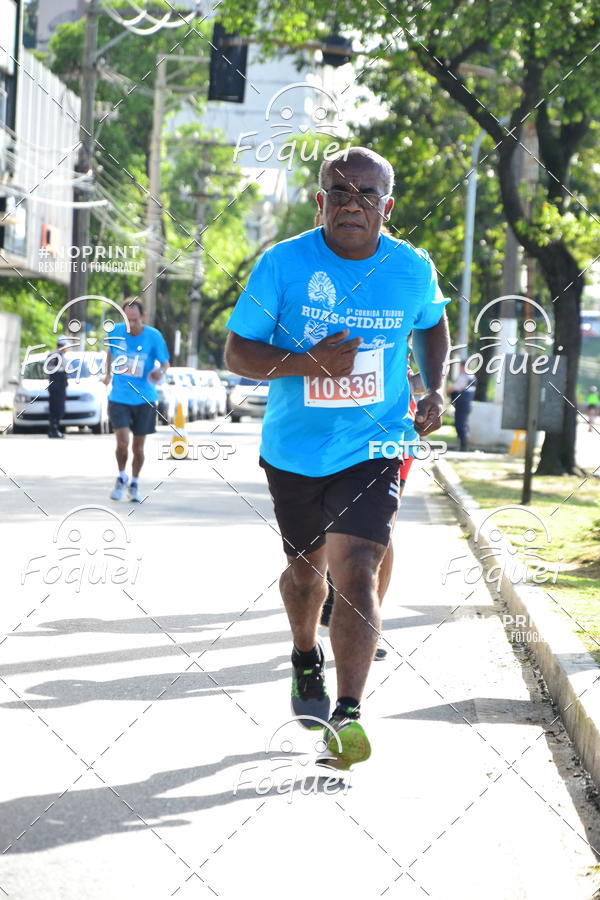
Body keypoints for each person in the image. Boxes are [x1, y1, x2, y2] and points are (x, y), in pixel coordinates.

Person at [225, 146, 449, 770]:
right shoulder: (283, 264)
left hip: (375, 443)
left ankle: (349, 715)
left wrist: (434, 387)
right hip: (295, 448)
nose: (353, 204)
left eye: (367, 195)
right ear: (320, 201)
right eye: (340, 193)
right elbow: (237, 353)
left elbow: (432, 323)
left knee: (357, 566)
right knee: (306, 572)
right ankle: (304, 656)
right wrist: (306, 363)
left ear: (387, 206)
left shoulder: (411, 268)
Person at [320, 367, 425, 663]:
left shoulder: (409, 324)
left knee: (382, 528)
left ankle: (369, 622)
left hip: (393, 432)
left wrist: (421, 386)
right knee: (332, 518)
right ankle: (331, 589)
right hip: (342, 427)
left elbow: (431, 366)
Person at [103, 298, 170, 502]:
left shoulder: (153, 336)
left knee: (138, 448)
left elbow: (165, 363)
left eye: (134, 320)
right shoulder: (115, 331)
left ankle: (134, 482)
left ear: (143, 317)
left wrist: (160, 372)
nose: (130, 325)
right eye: (127, 320)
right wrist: (107, 374)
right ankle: (121, 476)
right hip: (119, 397)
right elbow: (109, 354)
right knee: (122, 442)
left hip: (145, 399)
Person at [448, 361, 476, 451]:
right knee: (464, 424)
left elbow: (454, 388)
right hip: (467, 404)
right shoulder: (472, 377)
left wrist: (444, 392)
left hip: (461, 404)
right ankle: (464, 445)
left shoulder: (464, 377)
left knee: (460, 424)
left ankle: (463, 446)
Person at [46, 336, 70, 439]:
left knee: (58, 408)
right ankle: (53, 430)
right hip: (57, 386)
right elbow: (51, 369)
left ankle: (54, 429)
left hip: (58, 386)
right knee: (56, 408)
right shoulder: (54, 355)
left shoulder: (59, 355)